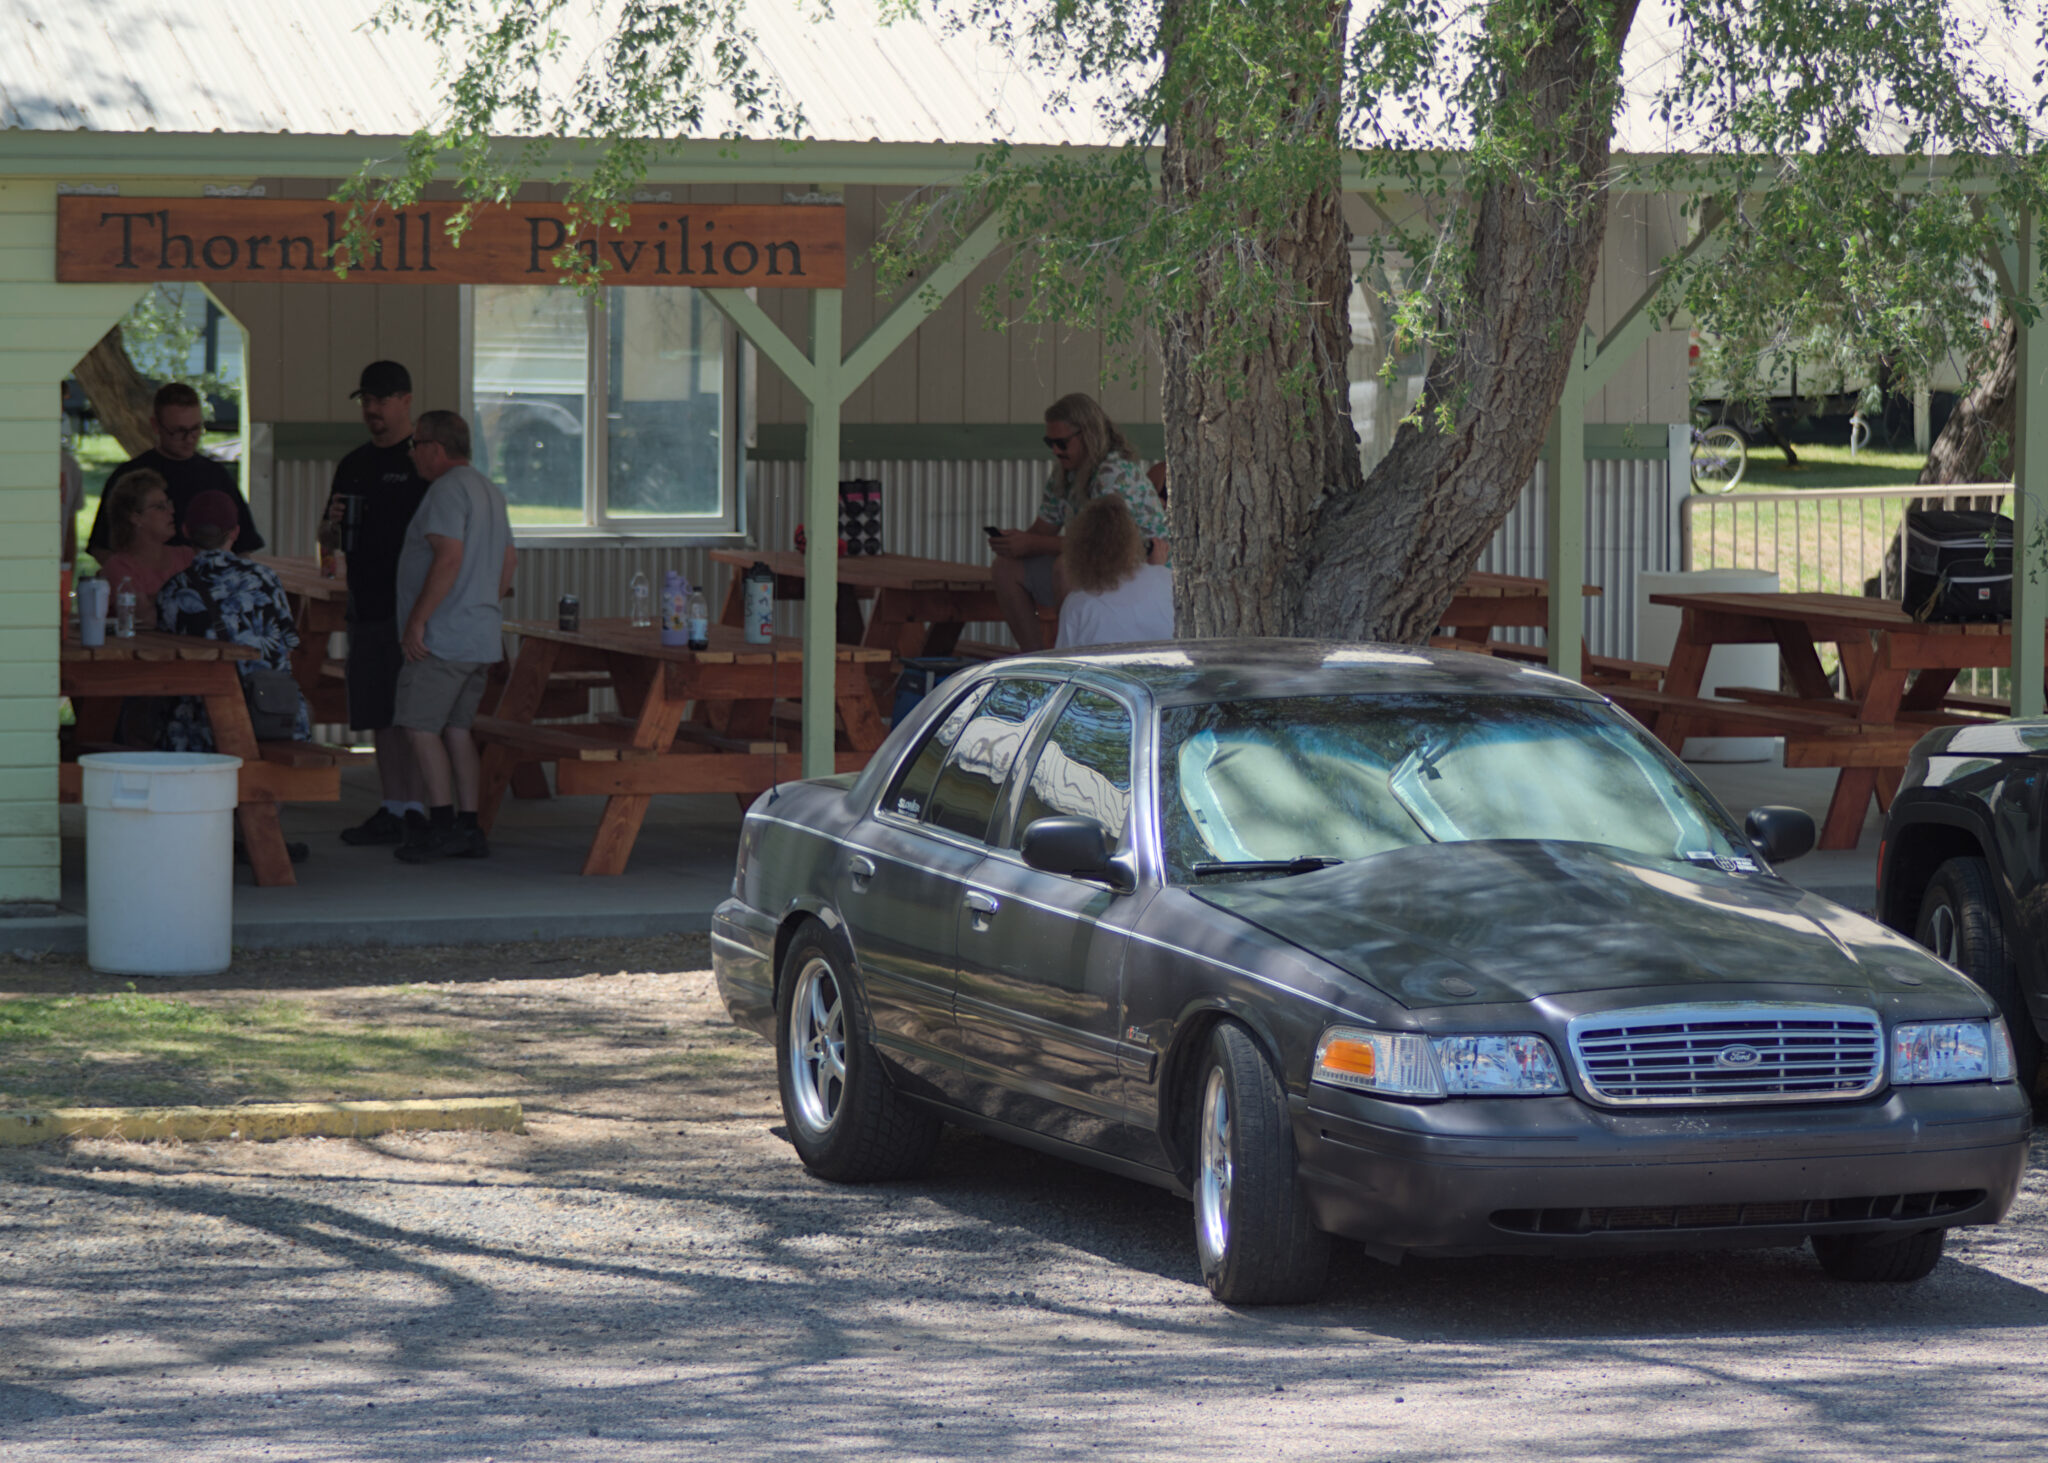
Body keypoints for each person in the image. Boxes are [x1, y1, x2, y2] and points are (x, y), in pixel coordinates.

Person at [391, 410, 516, 863]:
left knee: (419, 727)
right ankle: (470, 824)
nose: (412, 453)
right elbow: (508, 563)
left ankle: (441, 824)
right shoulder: (489, 490)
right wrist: (482, 601)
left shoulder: (445, 490)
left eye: (417, 444)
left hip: (443, 637)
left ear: (436, 449)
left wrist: (418, 620)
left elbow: (447, 557)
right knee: (458, 730)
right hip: (480, 634)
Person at [323, 361, 433, 847]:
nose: (372, 410)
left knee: (418, 712)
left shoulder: (425, 463)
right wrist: (329, 528)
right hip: (366, 601)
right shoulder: (353, 464)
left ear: (406, 401)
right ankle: (392, 805)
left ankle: (425, 808)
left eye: (381, 400)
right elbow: (327, 536)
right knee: (380, 713)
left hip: (416, 607)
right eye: (366, 400)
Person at [989, 393, 1169, 651]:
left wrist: (1030, 543)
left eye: (1061, 443)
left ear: (1088, 435)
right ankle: (1036, 659)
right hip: (1097, 567)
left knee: (1065, 568)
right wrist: (1015, 543)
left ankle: (1068, 659)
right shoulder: (1063, 474)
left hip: (1141, 565)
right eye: (1049, 442)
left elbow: (1104, 546)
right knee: (1006, 568)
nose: (1055, 450)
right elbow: (1041, 532)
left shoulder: (1114, 473)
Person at [155, 490, 310, 753]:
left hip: (203, 727)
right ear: (235, 533)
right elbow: (290, 643)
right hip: (275, 717)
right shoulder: (265, 578)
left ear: (185, 531)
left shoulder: (174, 590)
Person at [84, 382, 263, 558]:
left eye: (196, 429)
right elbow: (101, 548)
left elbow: (243, 546)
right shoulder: (131, 477)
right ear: (156, 426)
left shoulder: (216, 476)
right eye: (178, 431)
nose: (189, 439)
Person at [1055, 495, 1175, 648]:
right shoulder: (1167, 580)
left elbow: (1064, 665)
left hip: (1105, 671)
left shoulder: (1077, 604)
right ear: (1133, 539)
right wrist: (1158, 569)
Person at [92, 470, 194, 630]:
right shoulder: (119, 568)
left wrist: (153, 600)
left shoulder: (186, 556)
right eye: (160, 507)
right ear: (135, 517)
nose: (171, 512)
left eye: (169, 504)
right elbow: (145, 620)